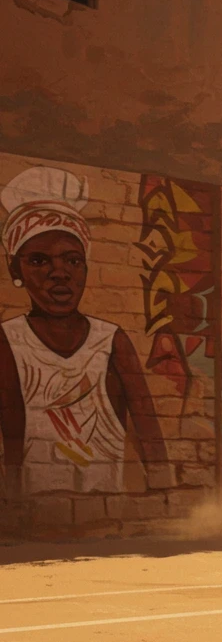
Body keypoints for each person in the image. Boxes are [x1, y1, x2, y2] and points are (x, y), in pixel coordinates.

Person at [0, 166, 168, 498]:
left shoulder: (111, 341)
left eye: (73, 261)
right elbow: (12, 445)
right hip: (38, 514)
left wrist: (167, 497)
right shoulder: (9, 341)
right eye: (39, 261)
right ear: (14, 268)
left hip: (108, 510)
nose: (59, 273)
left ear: (86, 268)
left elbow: (150, 436)